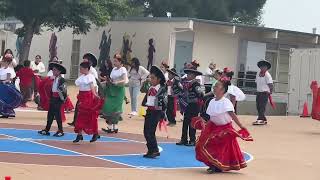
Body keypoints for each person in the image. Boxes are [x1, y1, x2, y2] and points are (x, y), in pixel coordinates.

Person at [195, 78, 252, 174]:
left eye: (217, 86)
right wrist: (203, 122)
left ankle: (216, 166)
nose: (214, 87)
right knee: (205, 144)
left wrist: (241, 126)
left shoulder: (226, 102)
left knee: (220, 148)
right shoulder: (212, 101)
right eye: (215, 86)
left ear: (222, 90)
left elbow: (232, 115)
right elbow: (210, 115)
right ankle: (213, 164)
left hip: (224, 128)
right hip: (212, 126)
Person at [73, 62, 103, 143]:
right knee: (80, 116)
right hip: (82, 97)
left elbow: (92, 86)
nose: (80, 70)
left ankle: (95, 133)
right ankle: (79, 134)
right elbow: (79, 85)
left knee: (90, 116)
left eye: (81, 68)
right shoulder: (82, 77)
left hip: (88, 98)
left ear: (86, 69)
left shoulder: (90, 77)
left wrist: (95, 95)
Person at [68, 53, 99, 127]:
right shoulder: (83, 70)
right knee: (78, 107)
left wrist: (95, 93)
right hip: (82, 93)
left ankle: (86, 123)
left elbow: (94, 83)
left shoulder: (92, 71)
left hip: (89, 93)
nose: (84, 61)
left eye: (85, 60)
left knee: (87, 109)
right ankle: (75, 121)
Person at [143, 65, 167, 158]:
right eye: (150, 77)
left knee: (150, 131)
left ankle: (155, 150)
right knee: (146, 131)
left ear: (159, 79)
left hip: (156, 112)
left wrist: (162, 113)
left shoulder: (161, 89)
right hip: (149, 110)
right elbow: (143, 91)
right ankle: (150, 149)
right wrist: (146, 83)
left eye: (153, 78)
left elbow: (163, 103)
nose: (151, 79)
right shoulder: (151, 87)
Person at [38, 62, 67, 137]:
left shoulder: (62, 80)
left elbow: (63, 91)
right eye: (53, 70)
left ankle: (60, 130)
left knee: (57, 115)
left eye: (54, 70)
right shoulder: (54, 79)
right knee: (50, 114)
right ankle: (47, 129)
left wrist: (62, 99)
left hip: (58, 99)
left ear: (59, 71)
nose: (53, 72)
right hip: (53, 98)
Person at [101, 54, 128, 133]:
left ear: (120, 62)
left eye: (116, 61)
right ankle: (110, 127)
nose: (114, 62)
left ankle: (114, 127)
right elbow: (111, 79)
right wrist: (107, 80)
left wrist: (117, 82)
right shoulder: (114, 69)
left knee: (116, 109)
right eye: (114, 61)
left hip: (119, 90)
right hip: (111, 89)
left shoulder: (123, 69)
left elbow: (124, 80)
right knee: (108, 106)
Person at [176, 68, 204, 146]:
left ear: (194, 76)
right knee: (185, 122)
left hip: (194, 106)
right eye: (187, 74)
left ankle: (192, 140)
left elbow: (201, 94)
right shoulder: (187, 84)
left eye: (189, 74)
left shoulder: (196, 84)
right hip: (188, 105)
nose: (187, 75)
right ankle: (184, 139)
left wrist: (196, 101)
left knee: (192, 123)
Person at [0, 54, 22, 118]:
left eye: (3, 61)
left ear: (7, 62)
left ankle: (8, 112)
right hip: (1, 85)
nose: (2, 62)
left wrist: (4, 81)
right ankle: (4, 112)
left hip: (5, 86)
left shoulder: (9, 70)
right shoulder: (1, 69)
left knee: (5, 99)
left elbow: (8, 79)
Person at [253, 60, 273, 125]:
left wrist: (270, 92)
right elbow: (257, 82)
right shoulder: (258, 74)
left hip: (265, 93)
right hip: (259, 92)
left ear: (266, 68)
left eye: (264, 66)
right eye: (261, 66)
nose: (262, 68)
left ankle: (260, 119)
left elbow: (270, 84)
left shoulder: (267, 75)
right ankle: (263, 119)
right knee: (258, 106)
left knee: (262, 106)